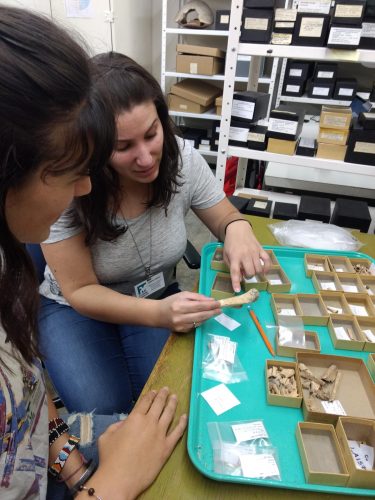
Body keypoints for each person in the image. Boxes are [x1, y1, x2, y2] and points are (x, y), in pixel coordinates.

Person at [0, 7, 186, 499]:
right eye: (66, 171)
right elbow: (79, 292)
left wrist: (77, 469)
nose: (83, 185)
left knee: (166, 417)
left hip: (53, 466)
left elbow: (32, 399)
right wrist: (113, 483)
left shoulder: (7, 273)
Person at [38, 51, 272, 415]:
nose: (146, 158)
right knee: (104, 409)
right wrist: (159, 314)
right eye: (123, 147)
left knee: (173, 396)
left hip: (155, 295)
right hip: (76, 308)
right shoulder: (72, 184)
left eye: (151, 135)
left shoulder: (181, 159)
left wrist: (237, 228)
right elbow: (80, 290)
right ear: (94, 146)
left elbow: (224, 215)